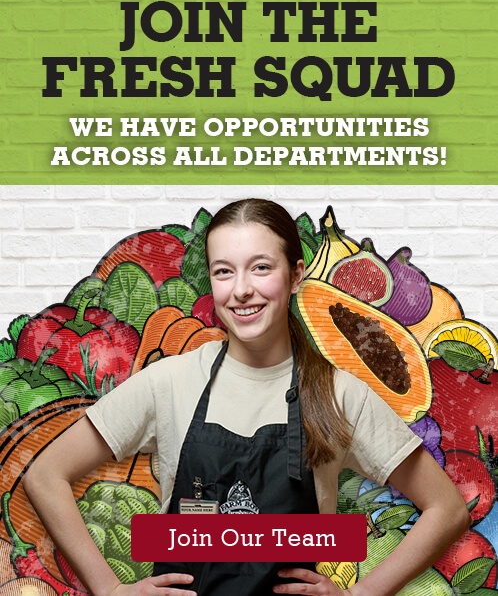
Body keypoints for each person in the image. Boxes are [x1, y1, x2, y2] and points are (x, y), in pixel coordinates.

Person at [23, 198, 470, 596]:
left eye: (261, 267)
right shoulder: (170, 382)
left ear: (295, 276)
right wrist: (108, 588)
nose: (241, 289)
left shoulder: (337, 394)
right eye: (224, 271)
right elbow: (45, 475)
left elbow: (447, 510)